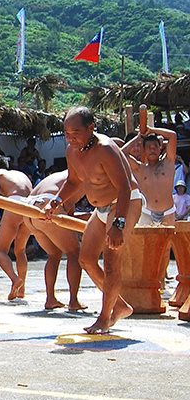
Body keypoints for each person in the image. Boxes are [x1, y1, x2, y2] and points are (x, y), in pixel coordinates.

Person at [44, 106, 142, 334]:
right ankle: (118, 305)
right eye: (67, 133)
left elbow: (125, 187)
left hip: (124, 204)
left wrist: (118, 224)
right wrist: (55, 203)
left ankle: (104, 318)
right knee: (86, 259)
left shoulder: (106, 149)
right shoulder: (71, 151)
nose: (71, 138)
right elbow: (74, 181)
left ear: (91, 127)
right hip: (101, 209)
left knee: (111, 261)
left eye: (76, 132)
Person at [25, 171, 87, 311]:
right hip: (49, 206)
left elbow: (68, 205)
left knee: (54, 254)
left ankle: (50, 299)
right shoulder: (85, 172)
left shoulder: (61, 174)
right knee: (74, 252)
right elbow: (68, 202)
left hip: (29, 209)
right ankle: (73, 301)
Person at [0, 154, 33, 300]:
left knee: (0, 250)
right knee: (20, 250)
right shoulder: (21, 174)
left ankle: (15, 279)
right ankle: (22, 289)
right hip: (30, 206)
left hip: (15, 204)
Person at [121, 124, 177, 225]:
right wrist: (138, 137)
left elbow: (172, 135)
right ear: (144, 150)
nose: (152, 150)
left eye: (155, 147)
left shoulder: (168, 162)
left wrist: (152, 129)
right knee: (144, 241)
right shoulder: (140, 169)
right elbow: (121, 154)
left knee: (168, 241)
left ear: (160, 148)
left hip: (168, 212)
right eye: (149, 147)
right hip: (147, 213)